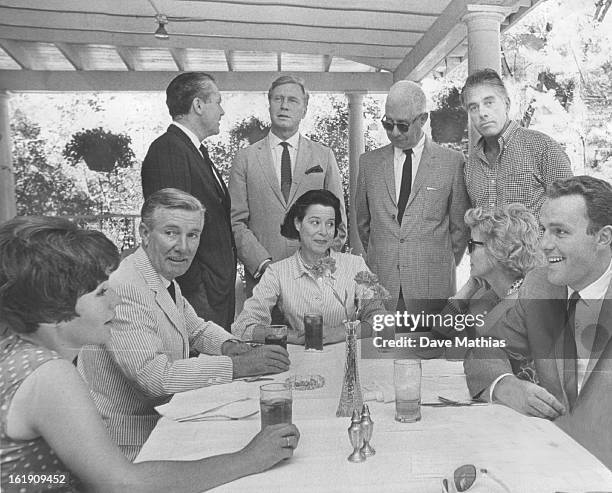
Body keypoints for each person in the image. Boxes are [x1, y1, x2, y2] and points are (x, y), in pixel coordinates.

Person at [0, 216, 299, 493]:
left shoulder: (17, 352)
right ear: (55, 302)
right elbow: (123, 484)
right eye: (103, 292)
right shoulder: (49, 375)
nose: (116, 299)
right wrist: (249, 458)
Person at [79, 189, 290, 460]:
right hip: (129, 446)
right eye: (171, 233)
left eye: (193, 235)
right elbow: (152, 377)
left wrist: (232, 346)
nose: (184, 246)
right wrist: (239, 365)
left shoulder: (160, 275)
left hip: (166, 422)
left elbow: (197, 329)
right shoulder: (126, 286)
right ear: (144, 233)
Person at [464, 175, 612, 470]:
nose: (543, 244)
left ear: (603, 237)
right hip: (552, 463)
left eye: (560, 232)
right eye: (543, 229)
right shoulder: (539, 285)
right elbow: (484, 349)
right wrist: (506, 386)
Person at [356, 80, 470, 318]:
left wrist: (434, 263)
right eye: (388, 124)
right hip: (382, 288)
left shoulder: (452, 162)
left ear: (423, 119)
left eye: (403, 125)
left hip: (431, 289)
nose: (394, 133)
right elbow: (363, 224)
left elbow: (459, 232)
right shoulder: (368, 164)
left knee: (431, 354)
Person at [229, 75, 347, 297]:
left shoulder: (324, 156)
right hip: (263, 283)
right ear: (269, 103)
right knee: (265, 333)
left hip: (315, 283)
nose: (284, 106)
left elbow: (338, 222)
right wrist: (263, 265)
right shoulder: (244, 158)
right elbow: (236, 222)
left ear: (304, 109)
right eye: (278, 99)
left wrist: (319, 265)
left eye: (292, 100)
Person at [141, 72, 236, 330]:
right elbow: (171, 228)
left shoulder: (193, 150)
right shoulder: (169, 150)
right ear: (197, 105)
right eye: (217, 101)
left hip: (213, 291)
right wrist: (196, 286)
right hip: (197, 294)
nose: (222, 111)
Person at [232, 190, 385, 345]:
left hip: (348, 360)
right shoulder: (277, 273)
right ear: (298, 224)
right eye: (315, 222)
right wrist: (294, 336)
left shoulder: (355, 265)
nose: (324, 232)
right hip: (300, 362)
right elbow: (243, 328)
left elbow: (382, 321)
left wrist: (339, 332)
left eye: (330, 224)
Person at [429, 204, 541, 358]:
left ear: (498, 249)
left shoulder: (519, 301)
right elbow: (437, 336)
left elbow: (456, 353)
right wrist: (467, 290)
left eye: (472, 245)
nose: (468, 254)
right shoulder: (488, 292)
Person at [461, 68, 572, 216]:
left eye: (489, 103)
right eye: (473, 107)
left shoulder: (542, 147)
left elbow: (571, 211)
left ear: (507, 104)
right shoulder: (471, 165)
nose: (482, 113)